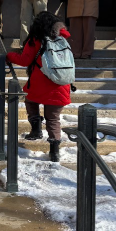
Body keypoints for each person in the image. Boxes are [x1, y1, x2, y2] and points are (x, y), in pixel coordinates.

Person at [6, 11, 72, 162]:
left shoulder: (36, 40)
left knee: (30, 100)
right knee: (53, 119)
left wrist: (9, 56)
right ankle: (54, 151)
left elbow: (25, 60)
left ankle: (36, 128)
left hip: (39, 83)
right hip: (61, 84)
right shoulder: (62, 38)